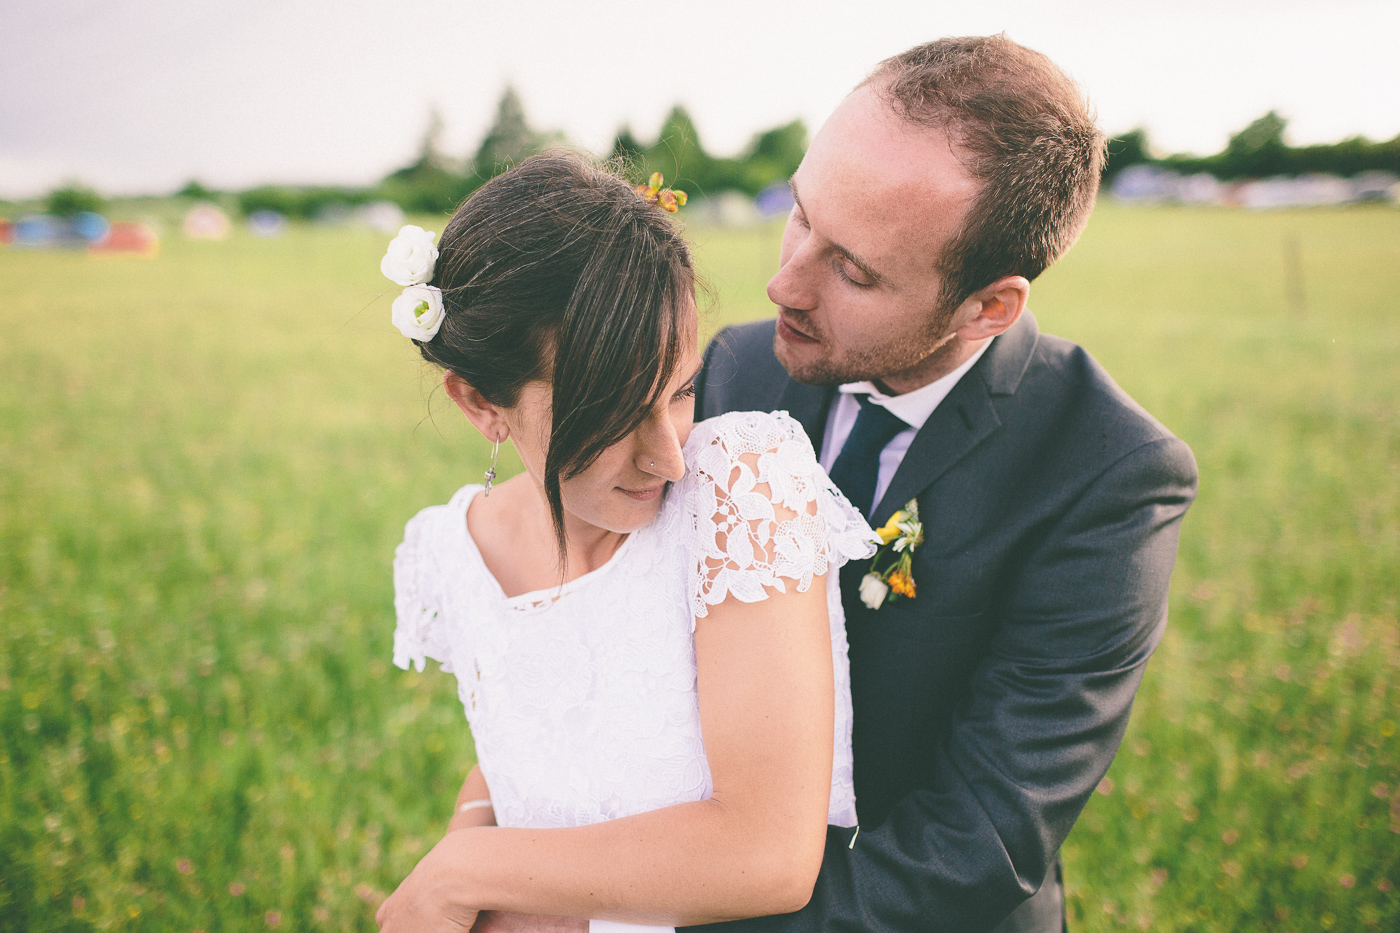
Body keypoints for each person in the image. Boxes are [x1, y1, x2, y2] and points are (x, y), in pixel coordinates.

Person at [687, 35, 1199, 933]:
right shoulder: (734, 369)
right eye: (801, 214)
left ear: (987, 308)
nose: (783, 283)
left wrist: (669, 919)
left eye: (853, 269)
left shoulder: (1108, 476)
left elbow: (980, 842)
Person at [376, 153, 881, 933]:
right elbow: (531, 745)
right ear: (482, 402)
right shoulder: (451, 551)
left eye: (681, 390)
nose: (668, 456)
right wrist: (469, 836)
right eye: (612, 416)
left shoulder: (738, 494)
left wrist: (468, 870)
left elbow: (768, 853)